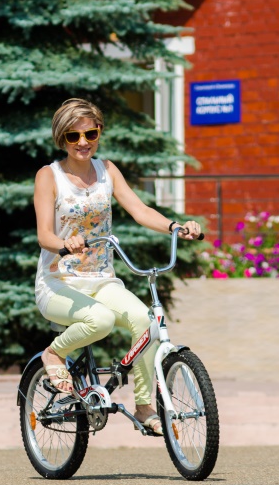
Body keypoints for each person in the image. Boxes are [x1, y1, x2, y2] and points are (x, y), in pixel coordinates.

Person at [33, 98, 201, 434]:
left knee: (145, 320)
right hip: (58, 282)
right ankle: (53, 355)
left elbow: (140, 211)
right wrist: (65, 244)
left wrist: (176, 227)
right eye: (73, 136)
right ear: (62, 138)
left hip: (102, 280)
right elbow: (44, 236)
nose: (83, 142)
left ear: (99, 133)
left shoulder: (107, 171)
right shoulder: (49, 176)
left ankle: (144, 405)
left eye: (90, 133)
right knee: (102, 320)